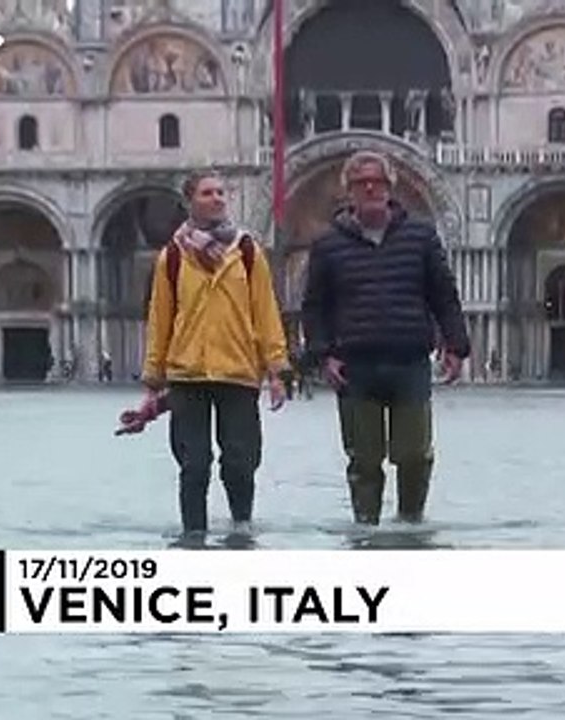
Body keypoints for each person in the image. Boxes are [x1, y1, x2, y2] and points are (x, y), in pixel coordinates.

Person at [301, 150, 471, 526]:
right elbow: (314, 306)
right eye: (362, 183)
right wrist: (323, 354)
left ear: (390, 187)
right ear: (348, 192)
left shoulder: (420, 235)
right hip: (355, 365)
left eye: (378, 181)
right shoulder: (328, 244)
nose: (371, 188)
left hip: (409, 359)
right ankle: (366, 527)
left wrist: (456, 346)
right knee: (363, 458)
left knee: (414, 453)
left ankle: (411, 522)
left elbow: (443, 293)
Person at [135, 170, 289, 540]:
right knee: (194, 464)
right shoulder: (171, 257)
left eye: (221, 192)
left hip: (237, 372)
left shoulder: (248, 252)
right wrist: (153, 381)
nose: (217, 198)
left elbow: (265, 311)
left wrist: (277, 369)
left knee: (240, 462)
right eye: (208, 192)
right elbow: (161, 318)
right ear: (191, 201)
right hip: (187, 374)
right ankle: (193, 538)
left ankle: (241, 529)